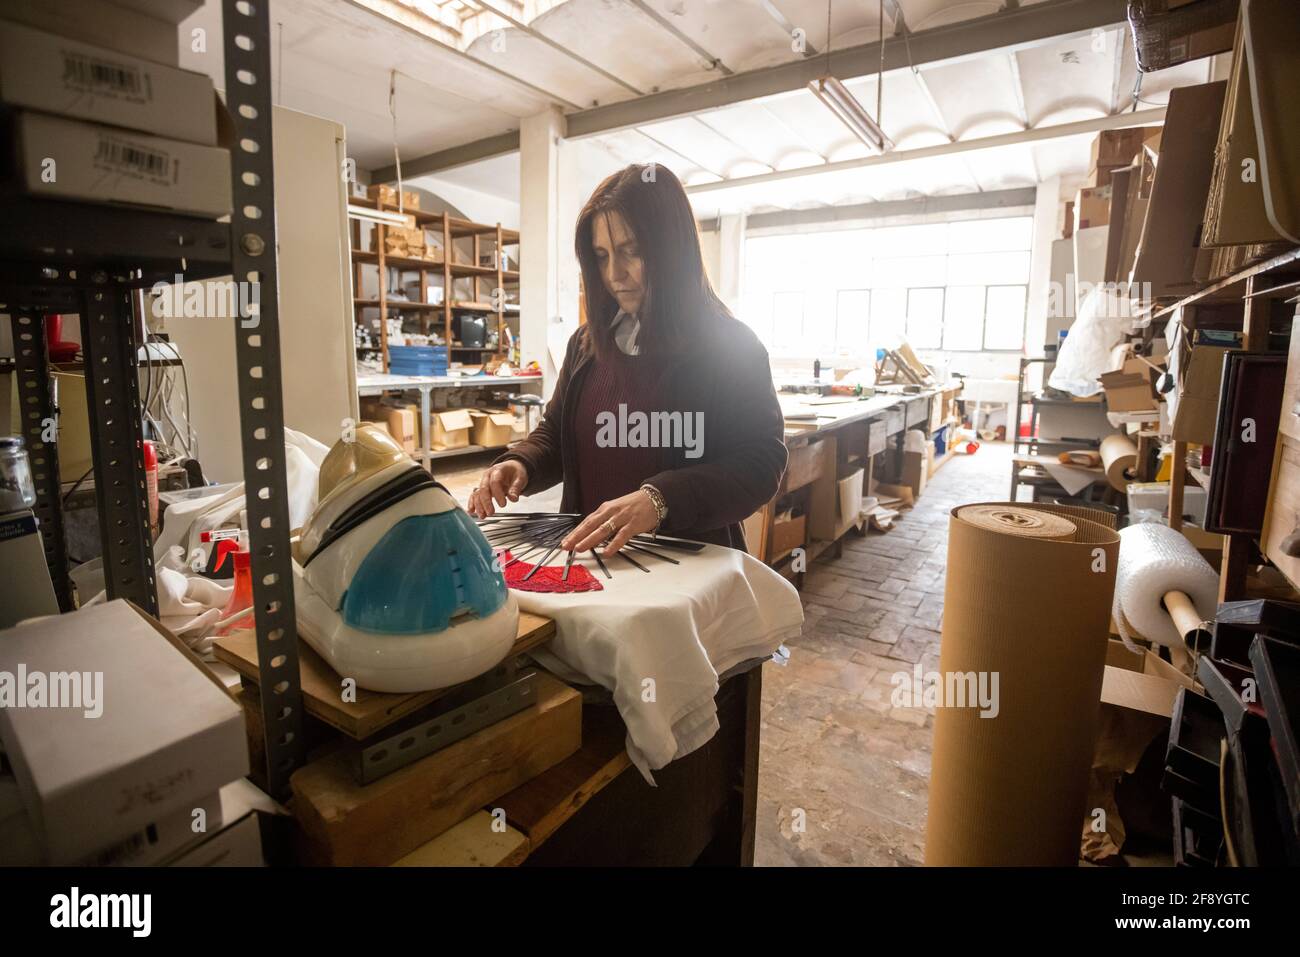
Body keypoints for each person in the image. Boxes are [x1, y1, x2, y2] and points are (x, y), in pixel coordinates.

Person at [467, 163, 787, 558]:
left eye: (631, 251)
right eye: (601, 256)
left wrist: (659, 500)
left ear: (673, 249)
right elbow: (557, 431)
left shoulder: (732, 347)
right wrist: (521, 463)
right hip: (592, 563)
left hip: (690, 568)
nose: (614, 274)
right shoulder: (586, 345)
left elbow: (760, 463)